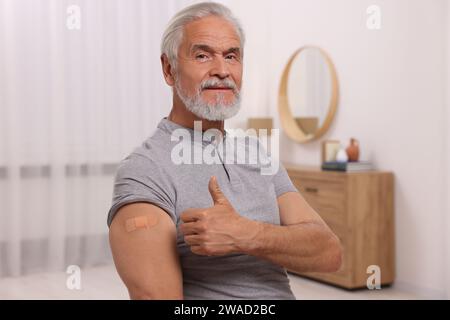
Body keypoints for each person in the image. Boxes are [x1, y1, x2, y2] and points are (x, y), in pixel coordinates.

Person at [108, 2, 342, 300]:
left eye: (231, 56)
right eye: (202, 55)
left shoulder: (257, 153)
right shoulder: (145, 170)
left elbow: (329, 252)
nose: (221, 71)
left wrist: (246, 235)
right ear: (169, 69)